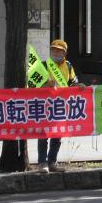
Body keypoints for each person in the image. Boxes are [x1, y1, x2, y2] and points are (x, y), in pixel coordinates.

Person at [38, 39, 84, 173]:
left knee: (57, 134)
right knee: (43, 135)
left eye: (59, 50)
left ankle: (52, 162)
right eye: (53, 49)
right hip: (45, 105)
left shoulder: (68, 66)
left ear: (65, 53)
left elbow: (72, 82)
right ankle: (42, 163)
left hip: (61, 105)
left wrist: (78, 86)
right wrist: (46, 85)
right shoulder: (43, 65)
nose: (56, 52)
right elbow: (33, 85)